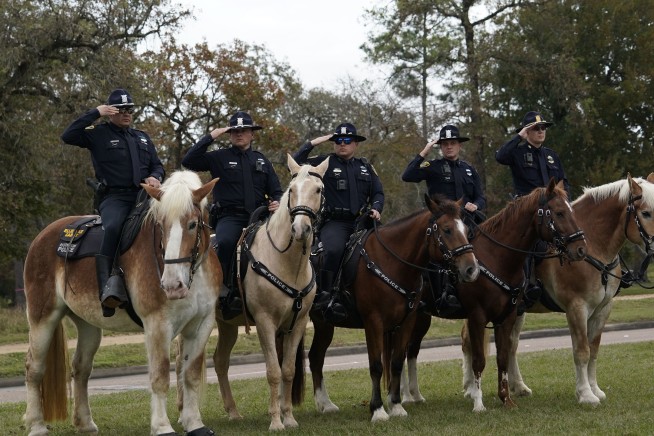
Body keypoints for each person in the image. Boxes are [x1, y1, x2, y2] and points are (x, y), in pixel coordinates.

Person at [61, 88, 165, 317]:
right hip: (114, 198)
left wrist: (156, 177)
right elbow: (67, 135)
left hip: (143, 196)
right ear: (110, 112)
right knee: (114, 227)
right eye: (120, 109)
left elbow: (158, 165)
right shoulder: (97, 134)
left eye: (130, 110)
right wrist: (95, 112)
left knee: (172, 221)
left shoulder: (142, 137)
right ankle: (107, 289)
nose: (126, 113)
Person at [181, 111, 282, 319]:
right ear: (229, 134)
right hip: (231, 217)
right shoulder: (219, 157)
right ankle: (225, 290)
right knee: (226, 242)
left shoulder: (262, 160)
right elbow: (189, 161)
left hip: (260, 217)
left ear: (252, 134)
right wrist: (211, 137)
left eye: (243, 131)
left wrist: (277, 202)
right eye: (234, 131)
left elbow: (276, 190)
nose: (239, 134)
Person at [293, 122, 384, 322]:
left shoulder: (365, 167)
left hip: (363, 221)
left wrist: (376, 208)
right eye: (338, 141)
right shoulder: (324, 163)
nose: (342, 144)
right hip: (336, 222)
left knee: (388, 247)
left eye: (347, 141)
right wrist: (315, 142)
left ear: (355, 144)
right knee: (333, 250)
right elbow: (297, 162)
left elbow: (377, 192)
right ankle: (325, 295)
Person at [402, 124, 486, 317]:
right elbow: (408, 175)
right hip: (443, 223)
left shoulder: (469, 170)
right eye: (445, 144)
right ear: (440, 147)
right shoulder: (433, 167)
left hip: (468, 219)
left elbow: (481, 197)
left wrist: (477, 205)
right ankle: (439, 295)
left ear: (459, 146)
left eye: (453, 143)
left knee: (491, 245)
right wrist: (424, 152)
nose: (449, 147)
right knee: (435, 253)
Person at [496, 110, 570, 314]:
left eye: (543, 127)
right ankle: (527, 287)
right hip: (528, 213)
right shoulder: (517, 153)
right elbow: (500, 157)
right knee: (528, 246)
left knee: (575, 235)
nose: (540, 131)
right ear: (526, 132)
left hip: (554, 212)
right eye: (535, 128)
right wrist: (519, 136)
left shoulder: (551, 156)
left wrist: (566, 205)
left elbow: (563, 182)